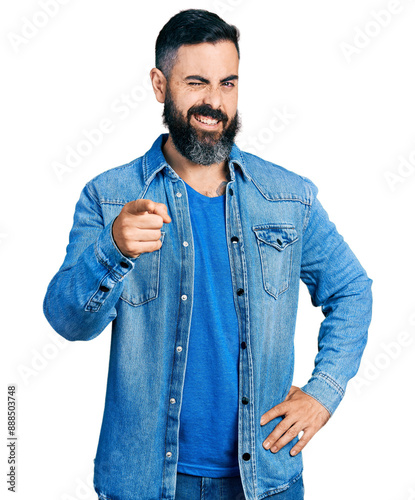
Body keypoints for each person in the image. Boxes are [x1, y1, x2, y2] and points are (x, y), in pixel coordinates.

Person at [43, 9, 372, 500]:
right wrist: (111, 248)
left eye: (228, 83)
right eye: (196, 83)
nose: (214, 102)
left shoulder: (287, 196)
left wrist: (323, 392)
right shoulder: (110, 197)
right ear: (159, 85)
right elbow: (68, 322)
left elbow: (352, 290)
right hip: (145, 483)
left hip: (264, 482)